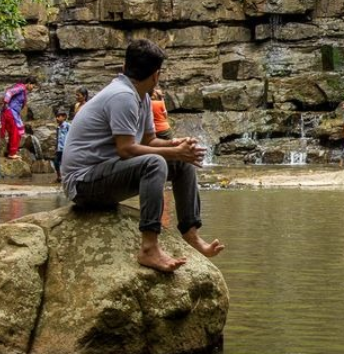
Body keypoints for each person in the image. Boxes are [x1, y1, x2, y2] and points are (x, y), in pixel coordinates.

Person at [60, 39, 224, 273]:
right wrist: (172, 151)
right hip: (82, 184)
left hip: (106, 173)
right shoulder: (122, 96)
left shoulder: (143, 96)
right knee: (155, 163)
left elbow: (149, 141)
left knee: (182, 162)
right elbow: (126, 149)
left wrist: (175, 146)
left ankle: (191, 234)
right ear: (156, 75)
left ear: (125, 66)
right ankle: (149, 247)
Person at [0, 77, 35, 158]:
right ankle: (12, 153)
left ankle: (11, 151)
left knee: (15, 132)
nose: (33, 88)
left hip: (13, 113)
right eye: (33, 86)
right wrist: (5, 103)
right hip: (11, 112)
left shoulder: (22, 89)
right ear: (29, 83)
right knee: (15, 132)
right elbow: (9, 92)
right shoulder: (21, 88)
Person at [52, 108, 71, 183]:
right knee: (56, 162)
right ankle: (59, 177)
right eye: (56, 117)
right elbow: (57, 137)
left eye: (59, 116)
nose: (57, 118)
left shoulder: (68, 126)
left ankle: (68, 177)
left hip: (66, 148)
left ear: (64, 117)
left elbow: (71, 136)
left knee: (66, 163)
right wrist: (56, 147)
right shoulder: (58, 127)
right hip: (59, 148)